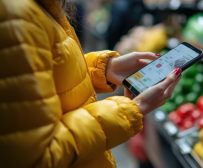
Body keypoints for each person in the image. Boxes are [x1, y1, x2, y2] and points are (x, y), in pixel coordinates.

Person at [0, 0, 181, 168]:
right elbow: (37, 158)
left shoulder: (38, 6)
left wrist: (102, 69)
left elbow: (46, 71)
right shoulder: (17, 16)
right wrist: (129, 109)